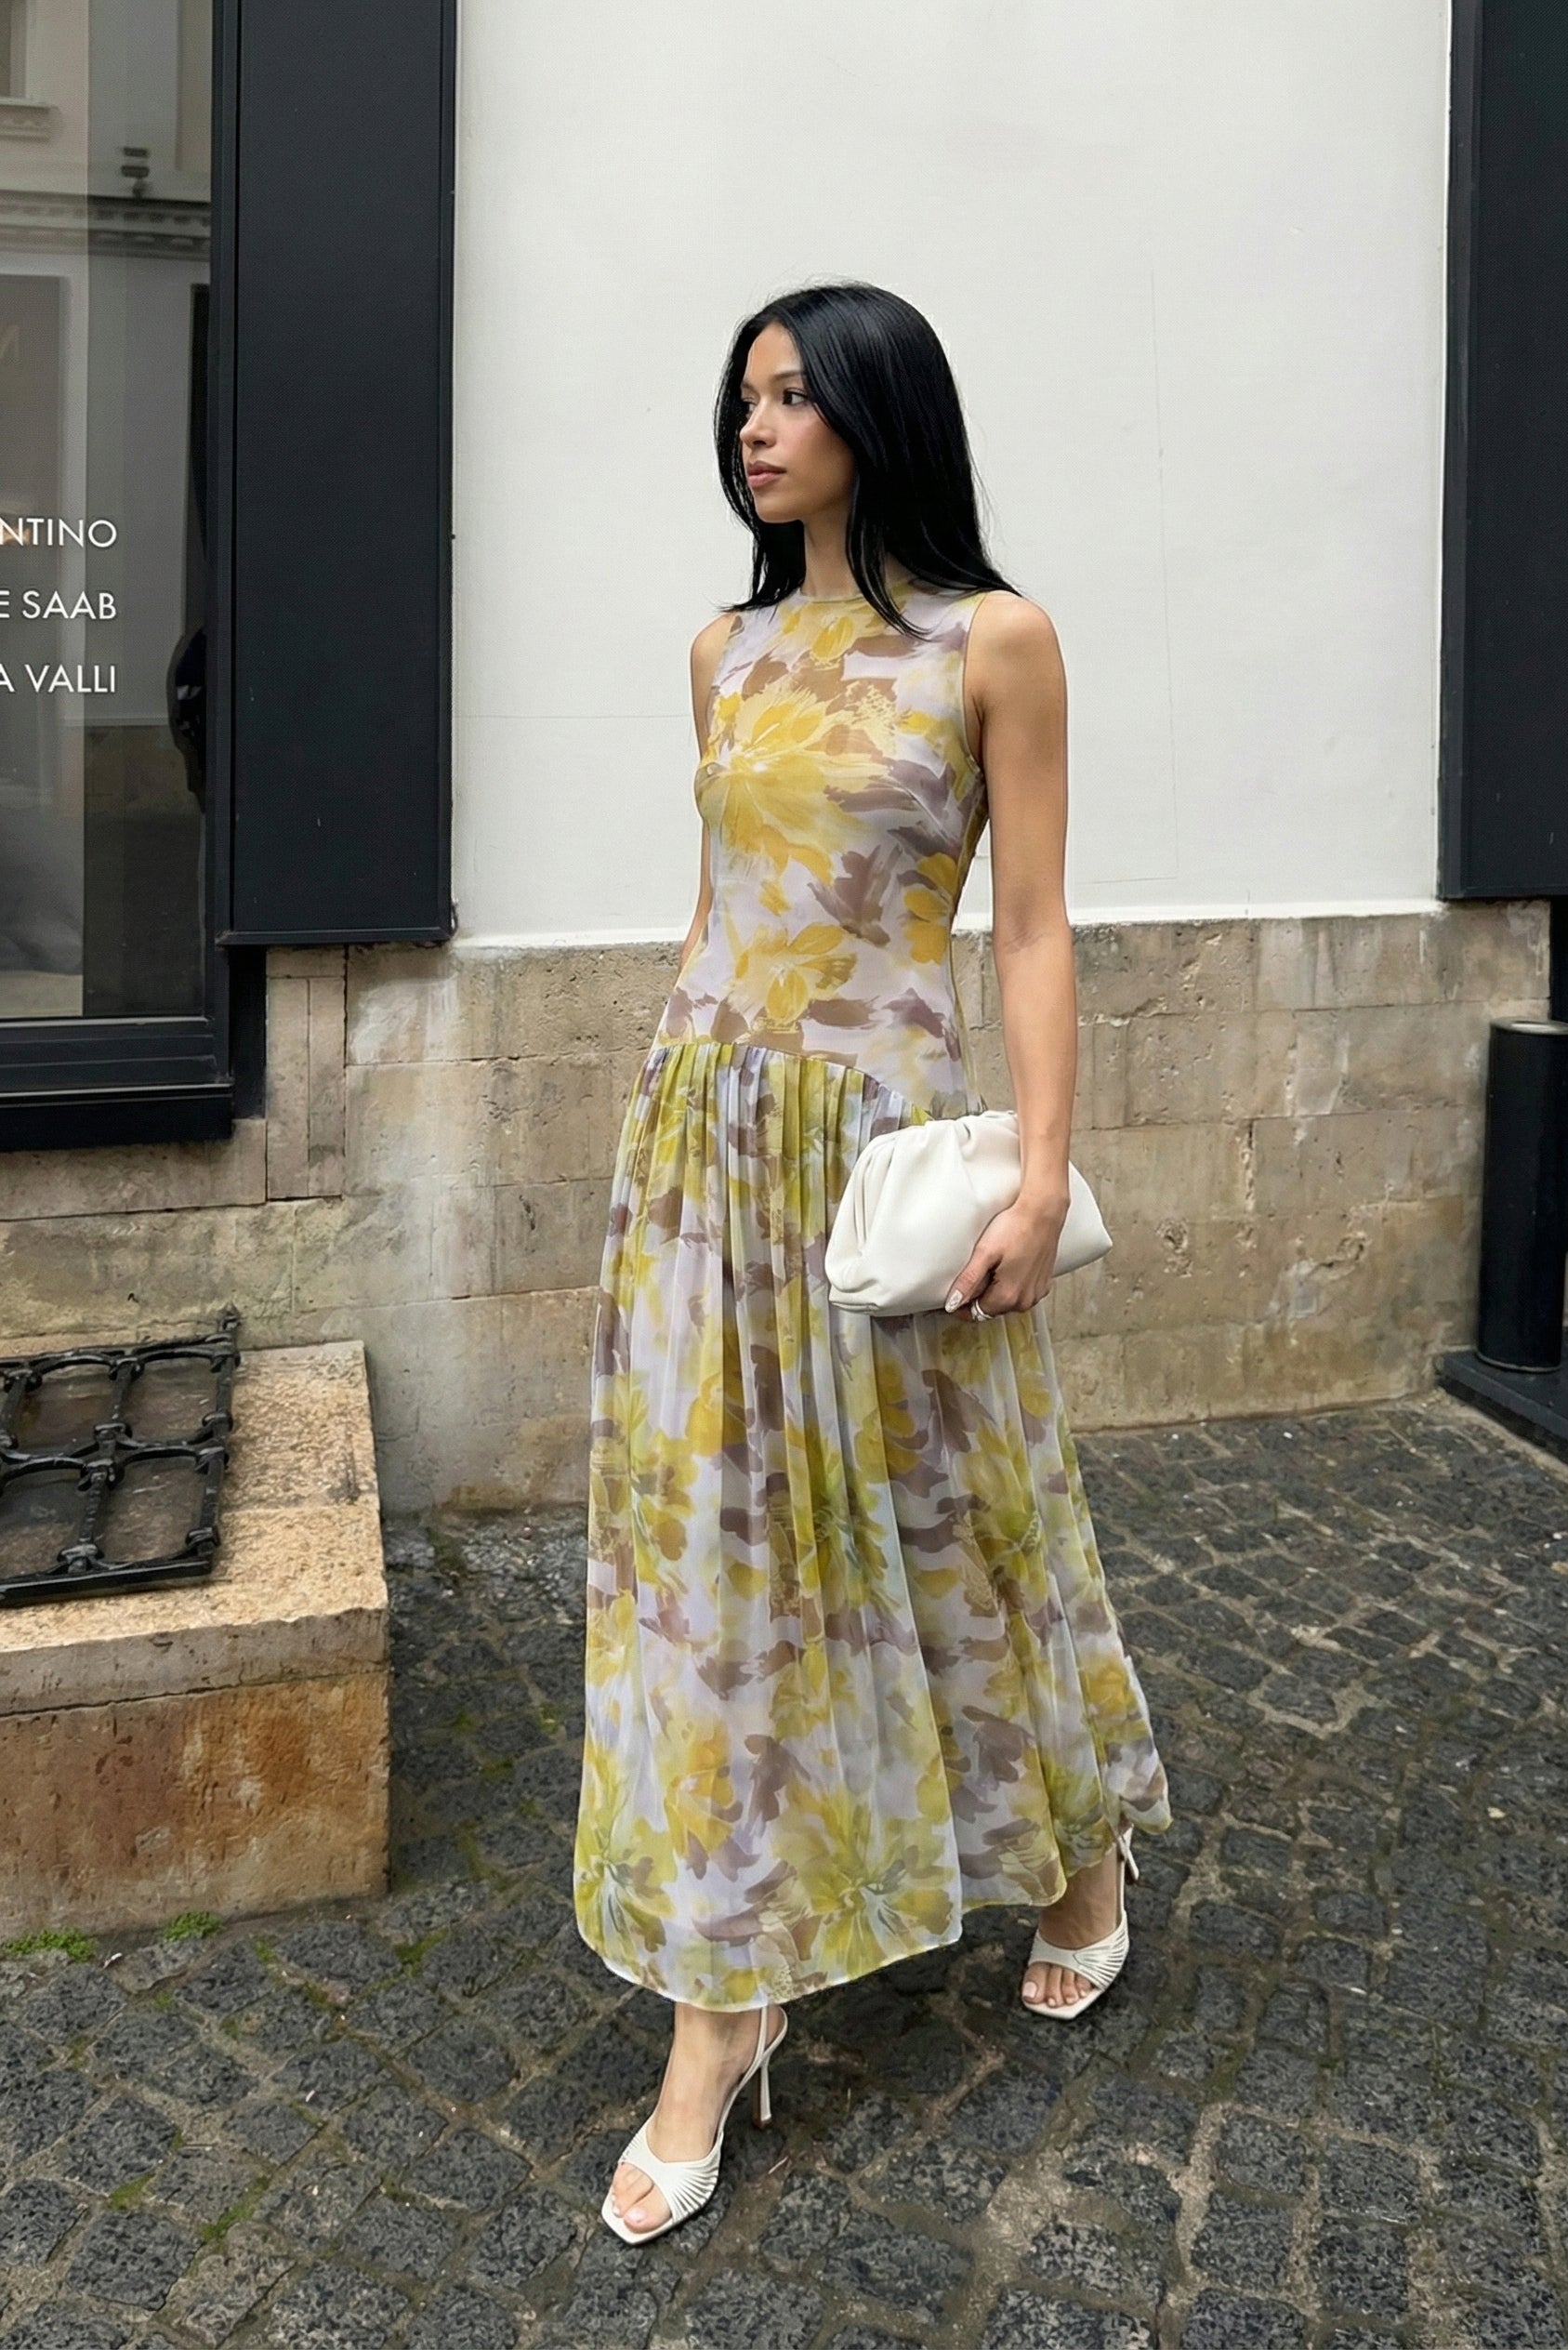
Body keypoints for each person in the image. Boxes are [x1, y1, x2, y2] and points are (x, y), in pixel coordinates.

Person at [573, 280, 1171, 2244]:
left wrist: (1039, 1177)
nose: (756, 428)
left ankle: (1077, 1859)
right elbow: (714, 909)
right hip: (706, 1143)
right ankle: (722, 2007)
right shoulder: (722, 650)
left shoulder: (992, 640)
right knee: (711, 1563)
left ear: (876, 415)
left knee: (956, 1518)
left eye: (793, 396)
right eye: (743, 399)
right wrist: (663, 1134)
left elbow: (1032, 924)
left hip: (883, 1151)